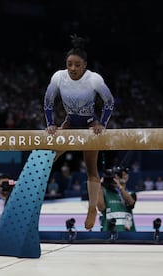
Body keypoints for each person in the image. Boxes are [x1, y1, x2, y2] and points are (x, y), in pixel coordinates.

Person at [43, 34, 114, 230]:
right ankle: (32, 193)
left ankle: (92, 208)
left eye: (77, 65)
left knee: (91, 169)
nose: (72, 69)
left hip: (90, 126)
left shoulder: (94, 79)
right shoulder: (59, 77)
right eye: (69, 64)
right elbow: (48, 102)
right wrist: (51, 124)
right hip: (69, 123)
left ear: (85, 65)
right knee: (48, 157)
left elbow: (109, 102)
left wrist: (103, 124)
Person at [97, 167, 137, 232]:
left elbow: (131, 203)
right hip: (109, 232)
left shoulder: (131, 193)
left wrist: (119, 186)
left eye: (125, 174)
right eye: (121, 174)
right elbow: (100, 208)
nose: (123, 176)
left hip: (128, 233)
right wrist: (99, 186)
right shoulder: (104, 192)